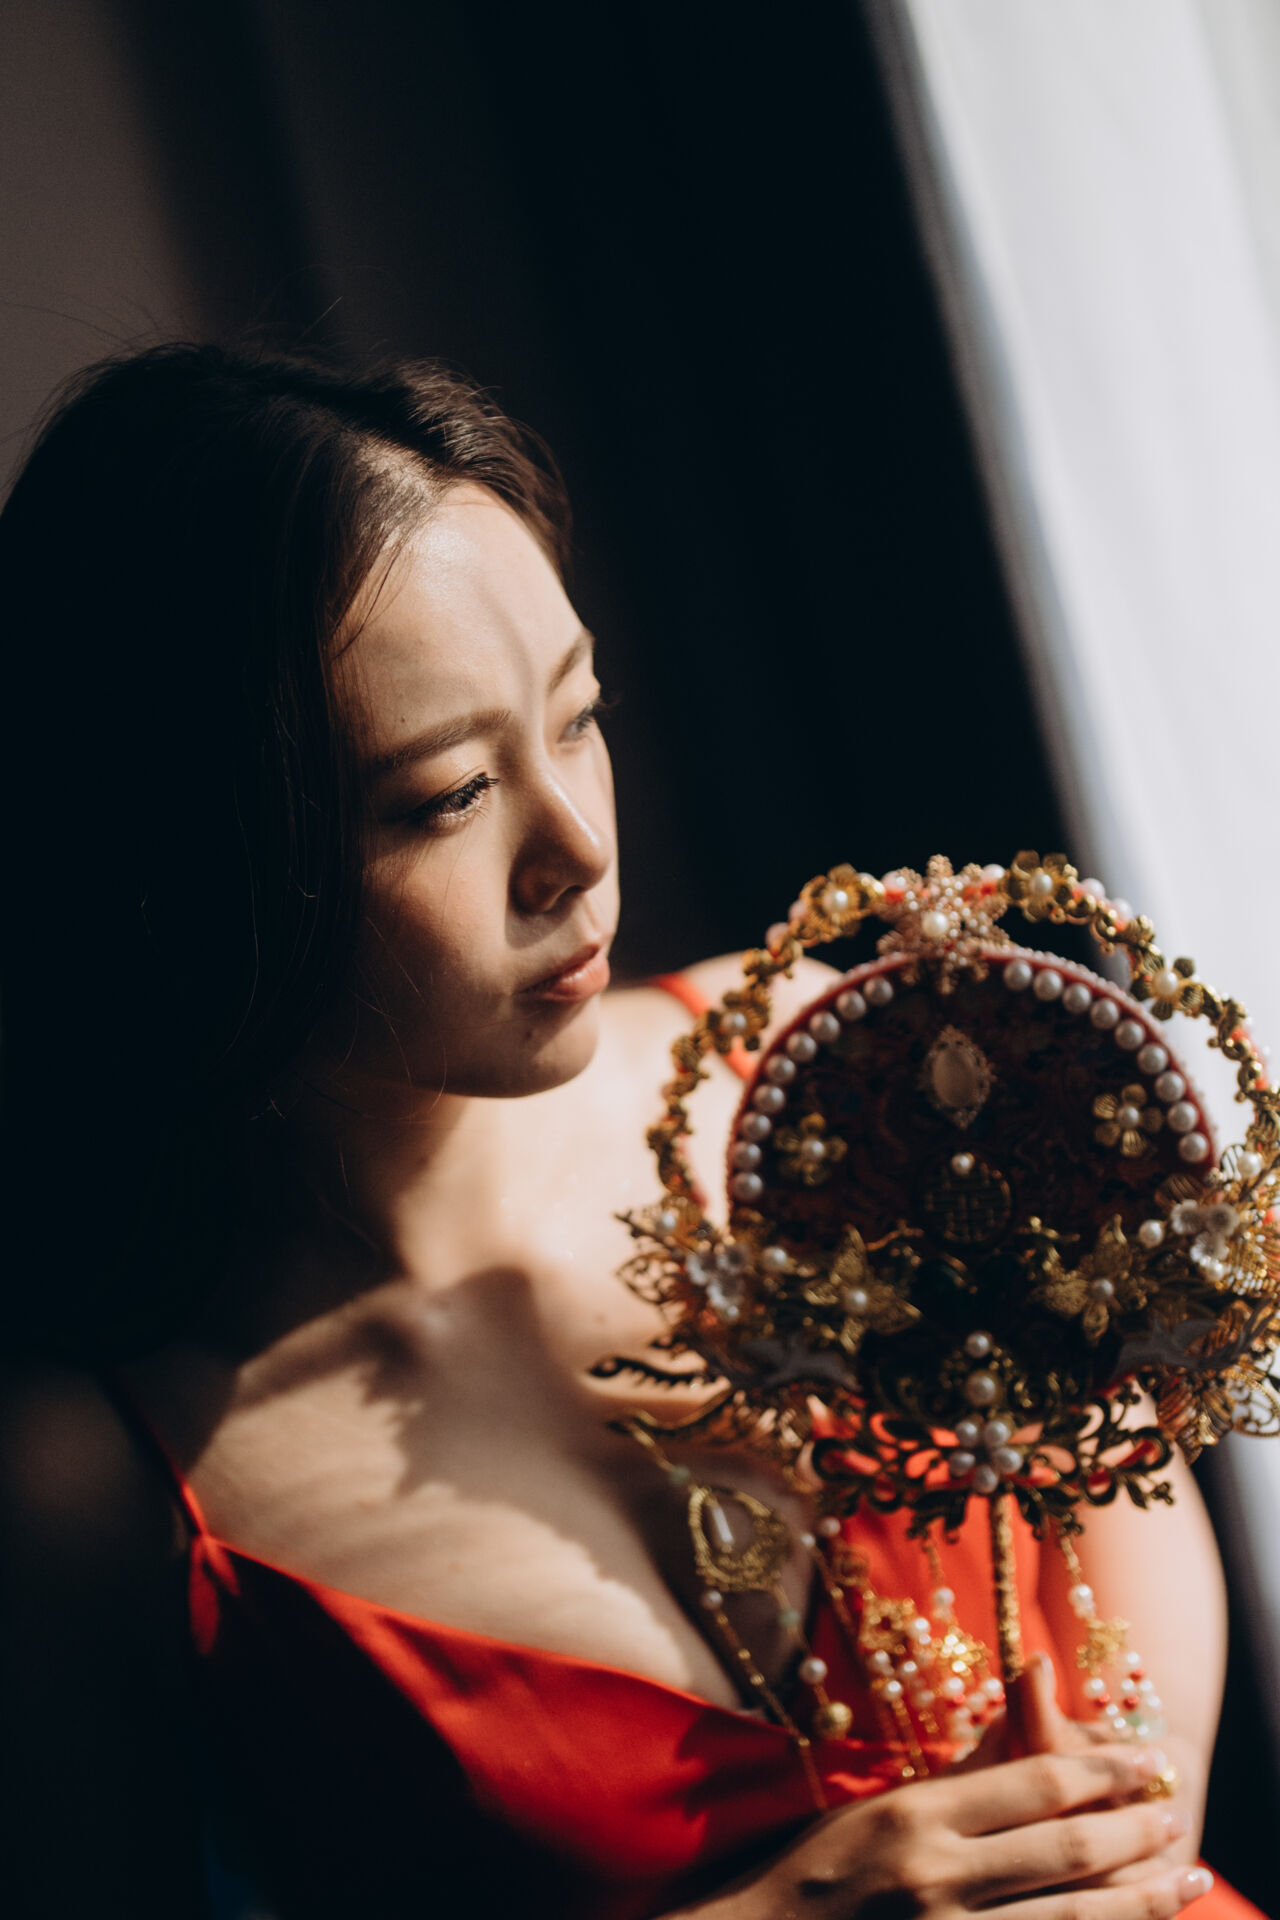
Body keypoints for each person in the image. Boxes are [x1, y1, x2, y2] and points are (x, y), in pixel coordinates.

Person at [0, 344, 1258, 1920]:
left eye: (577, 715)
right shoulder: (101, 1478)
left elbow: (1112, 1465)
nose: (577, 848)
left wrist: (1119, 1826)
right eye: (449, 795)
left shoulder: (820, 1068)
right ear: (195, 868)